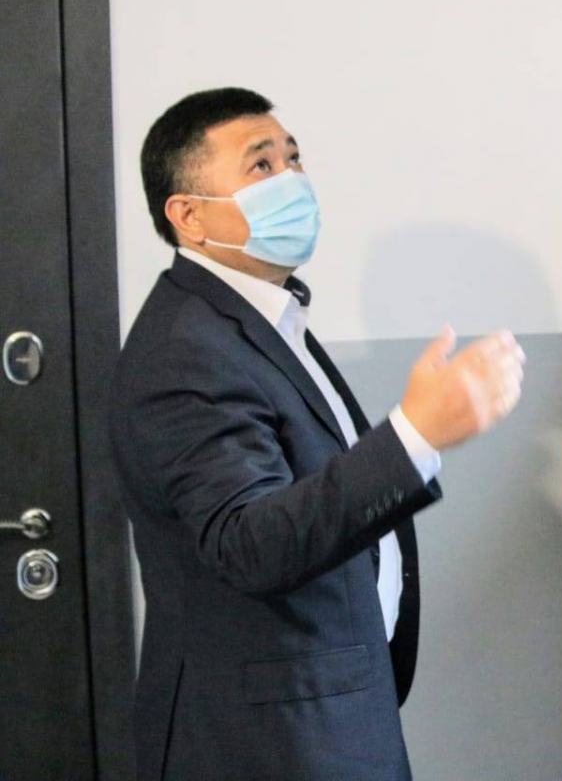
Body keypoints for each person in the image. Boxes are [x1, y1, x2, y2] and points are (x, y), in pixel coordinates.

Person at [111, 88, 525, 780]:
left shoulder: (261, 320)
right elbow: (249, 542)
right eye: (261, 165)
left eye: (294, 158)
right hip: (268, 740)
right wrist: (414, 435)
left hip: (325, 714)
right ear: (188, 215)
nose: (292, 180)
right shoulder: (185, 349)